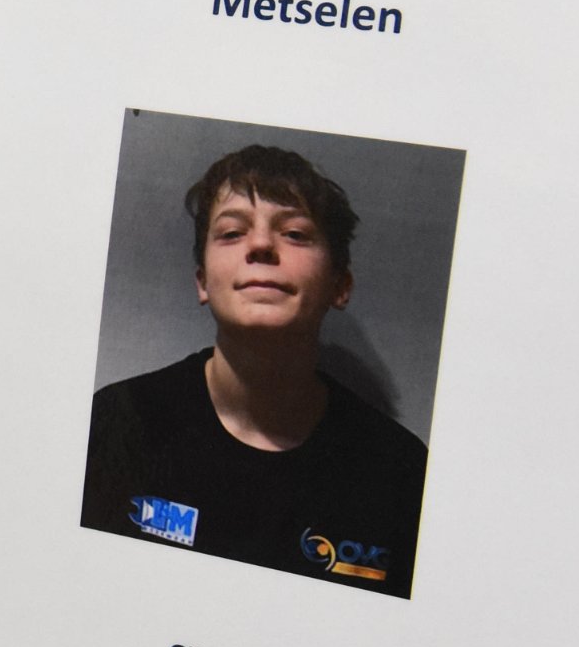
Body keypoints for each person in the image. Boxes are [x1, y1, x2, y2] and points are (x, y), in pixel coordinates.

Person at [80, 145, 430, 598]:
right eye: (231, 232)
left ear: (340, 285)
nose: (261, 245)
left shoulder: (401, 474)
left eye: (295, 233)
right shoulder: (117, 423)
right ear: (203, 282)